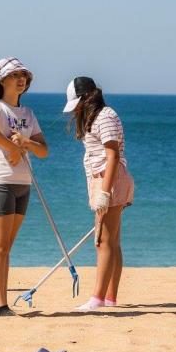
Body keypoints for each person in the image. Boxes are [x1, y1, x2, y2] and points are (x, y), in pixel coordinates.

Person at [0, 57, 48, 316]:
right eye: (14, 74)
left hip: (22, 183)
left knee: (7, 247)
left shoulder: (27, 113)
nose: (21, 79)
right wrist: (13, 146)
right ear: (2, 80)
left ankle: (1, 303)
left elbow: (43, 151)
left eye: (23, 75)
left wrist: (25, 144)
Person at [62, 77, 134, 311]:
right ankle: (110, 299)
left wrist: (104, 192)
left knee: (104, 241)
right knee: (109, 241)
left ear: (85, 98)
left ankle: (97, 299)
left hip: (109, 179)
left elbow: (112, 155)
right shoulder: (96, 117)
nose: (76, 111)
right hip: (104, 179)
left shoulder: (105, 116)